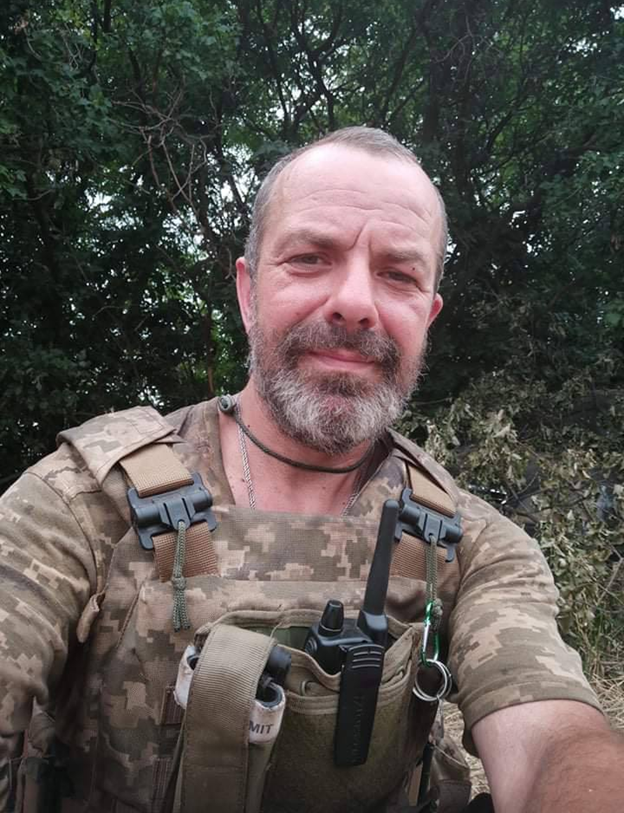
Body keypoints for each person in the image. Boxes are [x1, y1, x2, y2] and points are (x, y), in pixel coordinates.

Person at [0, 127, 622, 813]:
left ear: (428, 315)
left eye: (398, 275)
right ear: (248, 293)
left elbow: (551, 737)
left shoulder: (470, 544)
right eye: (309, 258)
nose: (355, 302)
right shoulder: (82, 503)